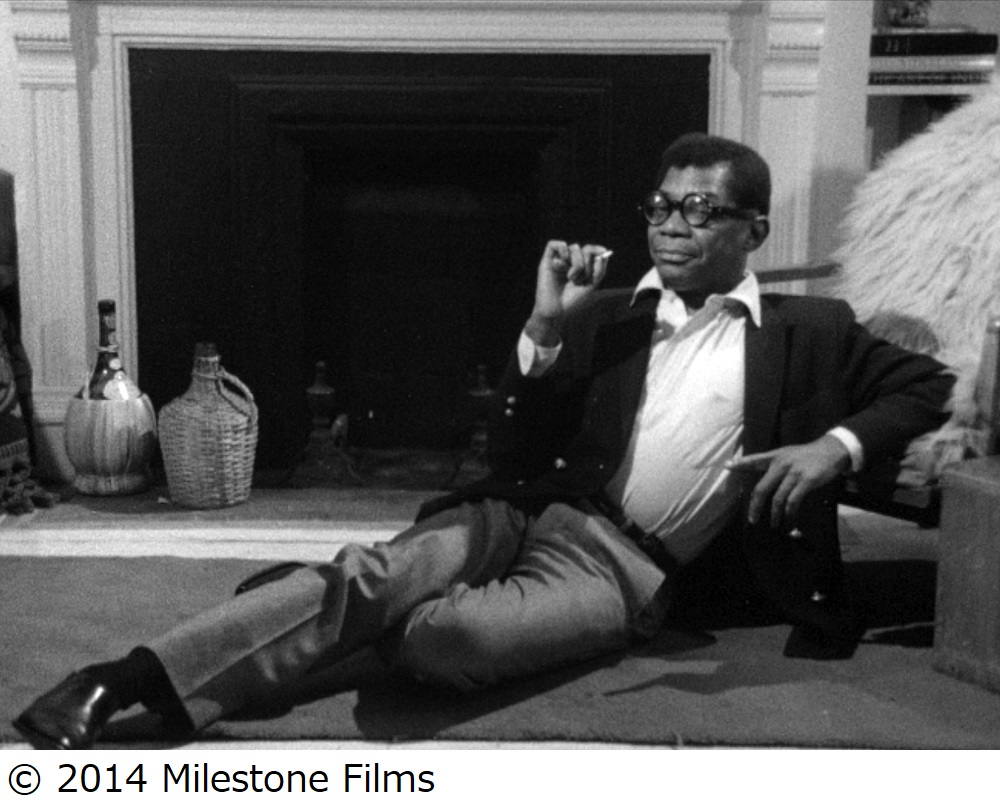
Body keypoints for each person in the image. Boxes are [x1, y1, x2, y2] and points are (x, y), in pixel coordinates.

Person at [13, 133, 953, 750]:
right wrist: (545, 327)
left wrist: (835, 446)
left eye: (700, 210)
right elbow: (516, 451)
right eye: (661, 206)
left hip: (626, 568)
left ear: (755, 228)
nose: (672, 225)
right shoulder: (610, 315)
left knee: (446, 636)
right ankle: (122, 679)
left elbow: (931, 383)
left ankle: (328, 600)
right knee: (374, 577)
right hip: (527, 510)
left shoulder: (811, 329)